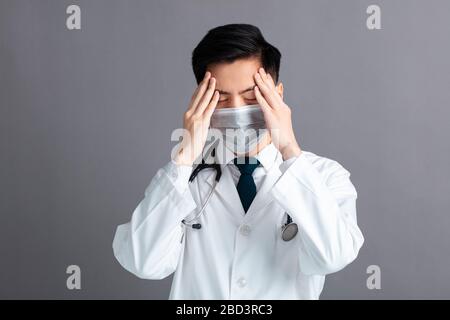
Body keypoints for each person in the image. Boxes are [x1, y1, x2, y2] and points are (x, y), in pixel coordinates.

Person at [112, 23, 364, 299]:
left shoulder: (324, 176)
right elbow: (143, 263)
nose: (238, 111)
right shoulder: (184, 177)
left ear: (277, 95)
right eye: (220, 100)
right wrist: (184, 155)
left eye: (250, 97)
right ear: (200, 103)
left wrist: (289, 148)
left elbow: (334, 256)